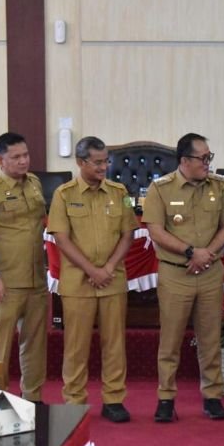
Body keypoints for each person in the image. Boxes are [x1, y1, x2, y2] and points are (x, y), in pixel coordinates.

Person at [143, 133, 224, 422]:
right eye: (202, 158)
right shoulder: (160, 189)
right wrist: (190, 252)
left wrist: (207, 253)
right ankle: (166, 398)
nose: (208, 163)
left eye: (209, 157)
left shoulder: (219, 186)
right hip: (176, 273)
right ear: (184, 160)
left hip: (210, 271)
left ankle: (213, 397)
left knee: (210, 339)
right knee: (170, 341)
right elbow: (156, 230)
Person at [47, 136, 138, 423]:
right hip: (78, 282)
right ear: (80, 162)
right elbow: (61, 238)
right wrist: (92, 270)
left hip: (112, 280)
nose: (103, 167)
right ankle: (75, 401)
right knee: (76, 346)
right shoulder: (64, 194)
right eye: (97, 162)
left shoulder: (119, 192)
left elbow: (128, 233)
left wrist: (108, 267)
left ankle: (114, 400)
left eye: (105, 161)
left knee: (114, 344)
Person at [0, 132, 48, 403]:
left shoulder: (35, 183)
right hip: (5, 281)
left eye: (25, 155)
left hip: (36, 279)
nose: (23, 161)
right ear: (0, 160)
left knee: (35, 345)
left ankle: (32, 398)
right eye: (15, 157)